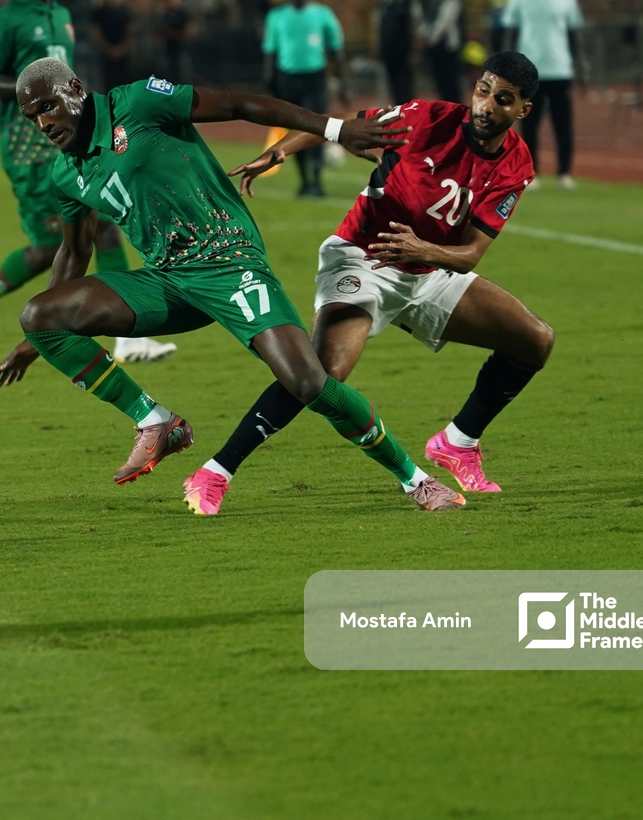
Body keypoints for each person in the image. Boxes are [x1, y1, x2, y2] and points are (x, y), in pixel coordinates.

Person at [0, 58, 464, 511]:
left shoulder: (136, 104)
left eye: (47, 106)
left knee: (307, 382)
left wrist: (334, 129)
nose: (43, 123)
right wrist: (36, 342)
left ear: (74, 89)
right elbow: (74, 254)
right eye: (32, 116)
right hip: (167, 281)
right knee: (38, 314)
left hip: (229, 261)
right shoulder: (65, 172)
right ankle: (156, 422)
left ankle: (415, 480)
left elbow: (239, 104)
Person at [183, 52, 552, 516]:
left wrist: (425, 253)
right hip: (363, 257)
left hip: (429, 268)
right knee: (323, 372)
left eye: (502, 100)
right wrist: (282, 149)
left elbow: (471, 254)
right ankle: (215, 472)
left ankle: (458, 443)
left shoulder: (515, 164)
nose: (486, 106)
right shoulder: (427, 118)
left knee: (534, 341)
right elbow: (343, 126)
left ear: (522, 110)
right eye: (483, 91)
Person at [0, 0, 175, 366]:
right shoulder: (7, 19)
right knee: (48, 249)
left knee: (101, 224)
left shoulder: (62, 14)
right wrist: (32, 92)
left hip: (62, 145)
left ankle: (128, 337)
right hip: (27, 149)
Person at [501, 0, 585, 189]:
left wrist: (581, 65)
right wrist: (507, 66)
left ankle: (564, 173)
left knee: (563, 123)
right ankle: (531, 173)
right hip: (529, 71)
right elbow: (511, 33)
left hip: (560, 69)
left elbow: (573, 35)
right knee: (529, 124)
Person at [262, 0, 347, 197]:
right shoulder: (277, 16)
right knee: (294, 130)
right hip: (288, 79)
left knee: (317, 127)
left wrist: (344, 81)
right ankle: (304, 180)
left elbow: (336, 49)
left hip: (315, 77)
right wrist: (269, 80)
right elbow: (270, 52)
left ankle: (317, 180)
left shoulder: (322, 14)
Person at [421, 0, 465, 104]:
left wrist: (430, 38)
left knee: (450, 83)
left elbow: (444, 22)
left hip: (448, 46)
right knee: (441, 82)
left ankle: (455, 112)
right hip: (438, 47)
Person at [377, 0, 420, 104]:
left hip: (404, 51)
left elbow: (415, 26)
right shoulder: (385, 5)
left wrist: (414, 51)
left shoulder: (408, 4)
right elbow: (381, 29)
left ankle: (410, 111)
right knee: (394, 85)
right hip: (390, 52)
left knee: (406, 84)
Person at [91, 0, 135, 91]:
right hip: (106, 57)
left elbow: (130, 31)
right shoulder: (99, 12)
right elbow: (97, 33)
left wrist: (123, 48)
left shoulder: (125, 12)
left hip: (124, 56)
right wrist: (109, 49)